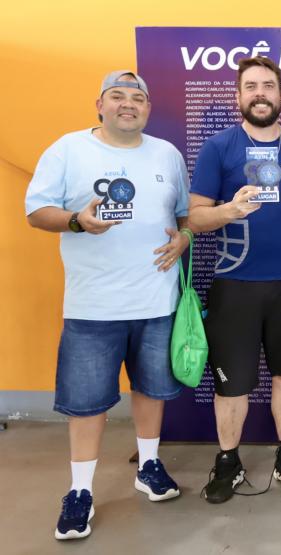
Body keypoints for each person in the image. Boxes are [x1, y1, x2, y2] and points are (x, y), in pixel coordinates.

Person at [25, 70, 189, 540]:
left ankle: (149, 467)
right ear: (99, 104)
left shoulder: (167, 154)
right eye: (117, 97)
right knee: (88, 405)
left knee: (151, 390)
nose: (127, 104)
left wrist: (184, 238)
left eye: (136, 98)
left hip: (157, 300)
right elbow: (37, 212)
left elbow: (181, 215)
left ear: (147, 108)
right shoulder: (68, 149)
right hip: (93, 306)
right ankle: (80, 492)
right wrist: (76, 221)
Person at [188, 56, 281, 503]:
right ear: (238, 97)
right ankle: (229, 462)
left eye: (268, 85)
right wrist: (230, 210)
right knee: (232, 383)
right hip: (234, 285)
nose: (260, 93)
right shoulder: (218, 147)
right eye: (251, 86)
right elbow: (195, 217)